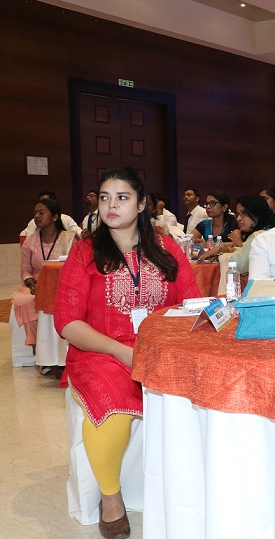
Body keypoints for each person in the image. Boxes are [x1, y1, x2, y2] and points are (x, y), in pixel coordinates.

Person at [55, 167, 200, 539]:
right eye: (105, 198)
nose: (111, 206)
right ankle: (111, 497)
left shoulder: (166, 249)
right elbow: (67, 322)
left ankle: (189, 492)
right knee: (113, 402)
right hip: (100, 351)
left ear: (141, 204)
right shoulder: (86, 250)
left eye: (122, 197)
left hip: (160, 350)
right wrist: (120, 351)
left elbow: (192, 304)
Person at [13, 198, 78, 375]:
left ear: (55, 216)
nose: (36, 216)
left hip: (64, 285)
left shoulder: (69, 239)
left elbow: (77, 267)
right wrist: (32, 283)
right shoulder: (30, 241)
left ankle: (64, 356)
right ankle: (41, 354)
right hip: (36, 285)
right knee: (25, 302)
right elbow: (25, 270)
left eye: (41, 212)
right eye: (35, 213)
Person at [199, 194, 275, 271]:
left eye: (243, 213)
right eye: (238, 214)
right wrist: (220, 249)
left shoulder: (259, 236)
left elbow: (239, 263)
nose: (238, 219)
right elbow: (244, 251)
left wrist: (219, 257)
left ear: (257, 213)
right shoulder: (272, 230)